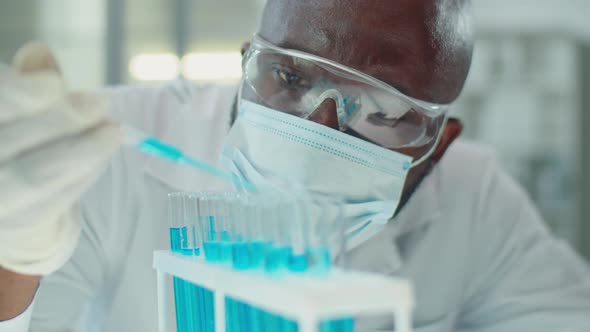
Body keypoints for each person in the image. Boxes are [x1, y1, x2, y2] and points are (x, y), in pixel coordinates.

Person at [1, 0, 589, 331]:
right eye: (289, 77)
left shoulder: (475, 197)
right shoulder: (101, 149)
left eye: (382, 109)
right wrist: (13, 250)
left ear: (435, 146)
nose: (320, 126)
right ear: (245, 65)